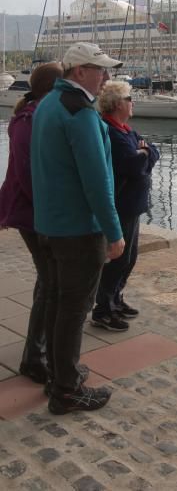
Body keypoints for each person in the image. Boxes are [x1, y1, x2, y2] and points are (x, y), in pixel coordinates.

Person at [31, 42, 125, 415]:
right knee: (73, 309)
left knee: (56, 303)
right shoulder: (80, 113)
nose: (106, 76)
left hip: (50, 225)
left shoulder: (47, 105)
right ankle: (66, 391)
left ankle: (60, 374)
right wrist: (114, 232)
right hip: (78, 231)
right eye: (100, 69)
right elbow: (96, 182)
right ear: (79, 71)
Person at [0, 63, 63, 384]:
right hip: (34, 215)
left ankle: (37, 352)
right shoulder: (29, 120)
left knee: (49, 281)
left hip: (38, 212)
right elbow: (27, 177)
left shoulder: (39, 114)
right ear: (54, 88)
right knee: (50, 282)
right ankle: (34, 357)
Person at [92, 80, 159, 331]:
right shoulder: (112, 133)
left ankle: (116, 298)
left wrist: (144, 153)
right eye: (130, 98)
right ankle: (104, 309)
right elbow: (132, 166)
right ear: (118, 103)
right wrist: (142, 155)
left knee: (129, 258)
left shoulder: (126, 131)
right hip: (122, 205)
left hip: (134, 204)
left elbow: (153, 150)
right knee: (118, 258)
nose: (133, 103)